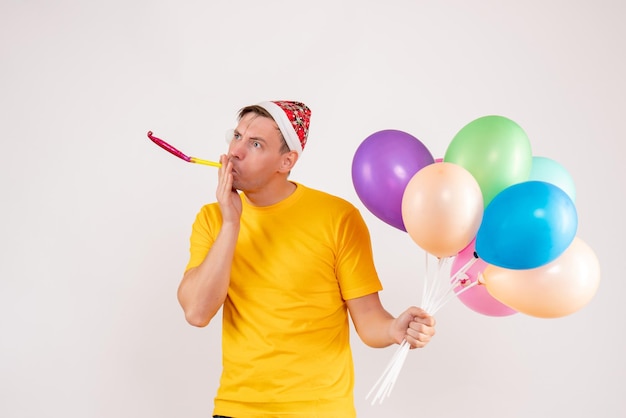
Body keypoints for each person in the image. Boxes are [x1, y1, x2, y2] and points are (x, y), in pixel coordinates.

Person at [177, 100, 436, 418]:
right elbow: (197, 312)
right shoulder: (212, 219)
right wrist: (231, 223)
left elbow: (369, 320)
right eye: (237, 136)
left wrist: (395, 329)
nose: (236, 152)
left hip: (321, 410)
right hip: (237, 409)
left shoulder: (338, 218)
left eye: (255, 144)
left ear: (286, 161)